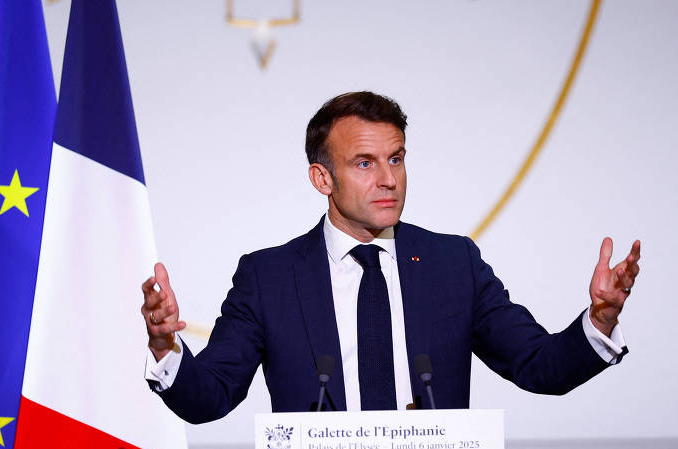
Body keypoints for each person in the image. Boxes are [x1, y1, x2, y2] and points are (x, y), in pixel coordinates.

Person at [141, 92, 640, 424]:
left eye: (396, 158)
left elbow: (539, 366)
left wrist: (597, 321)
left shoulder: (453, 263)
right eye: (365, 163)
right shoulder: (269, 277)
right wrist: (167, 349)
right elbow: (211, 396)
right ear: (322, 179)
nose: (389, 179)